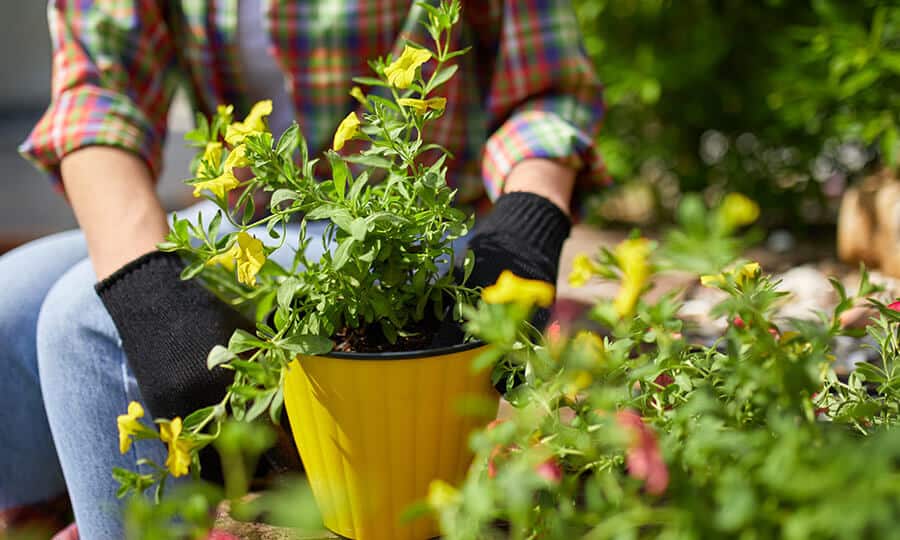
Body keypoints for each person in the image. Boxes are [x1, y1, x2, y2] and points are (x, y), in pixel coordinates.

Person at [0, 1, 605, 538]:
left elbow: (547, 87)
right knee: (10, 308)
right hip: (252, 217)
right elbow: (99, 90)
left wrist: (524, 232)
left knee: (83, 319)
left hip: (404, 229)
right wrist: (149, 287)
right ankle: (77, 493)